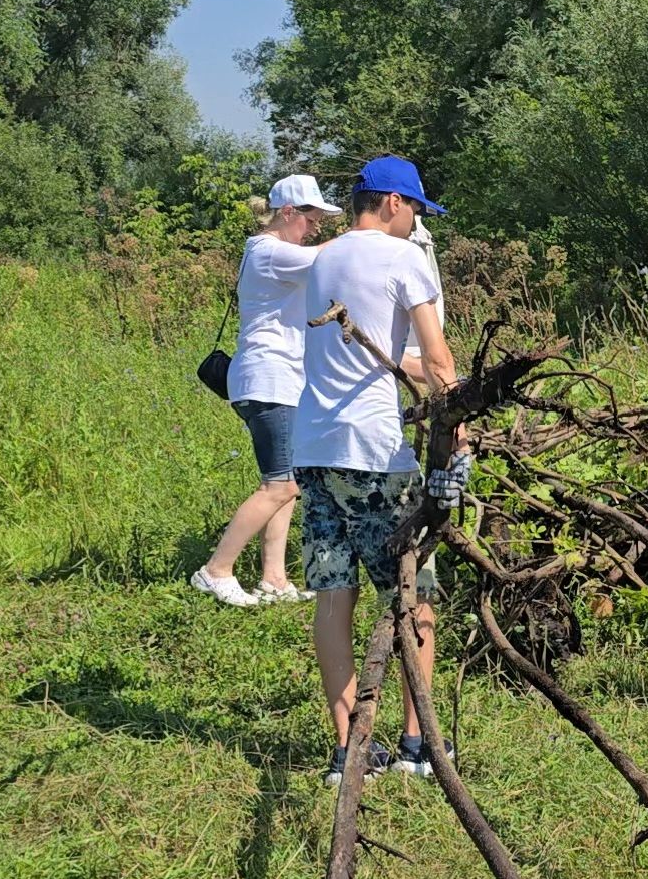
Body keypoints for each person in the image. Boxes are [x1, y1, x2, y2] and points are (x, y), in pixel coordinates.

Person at [291, 156, 471, 786]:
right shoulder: (405, 259)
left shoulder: (323, 260)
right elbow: (439, 355)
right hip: (374, 455)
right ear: (394, 201)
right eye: (416, 208)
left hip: (312, 450)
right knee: (413, 597)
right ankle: (418, 743)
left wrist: (418, 369)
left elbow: (379, 352)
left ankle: (349, 752)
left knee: (333, 596)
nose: (417, 222)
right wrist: (461, 444)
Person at [191, 175, 341, 608]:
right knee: (279, 485)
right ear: (289, 213)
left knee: (288, 482)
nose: (316, 228)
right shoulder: (270, 252)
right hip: (269, 379)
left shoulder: (273, 252)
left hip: (278, 380)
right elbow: (323, 261)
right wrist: (364, 238)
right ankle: (216, 570)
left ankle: (274, 579)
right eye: (312, 218)